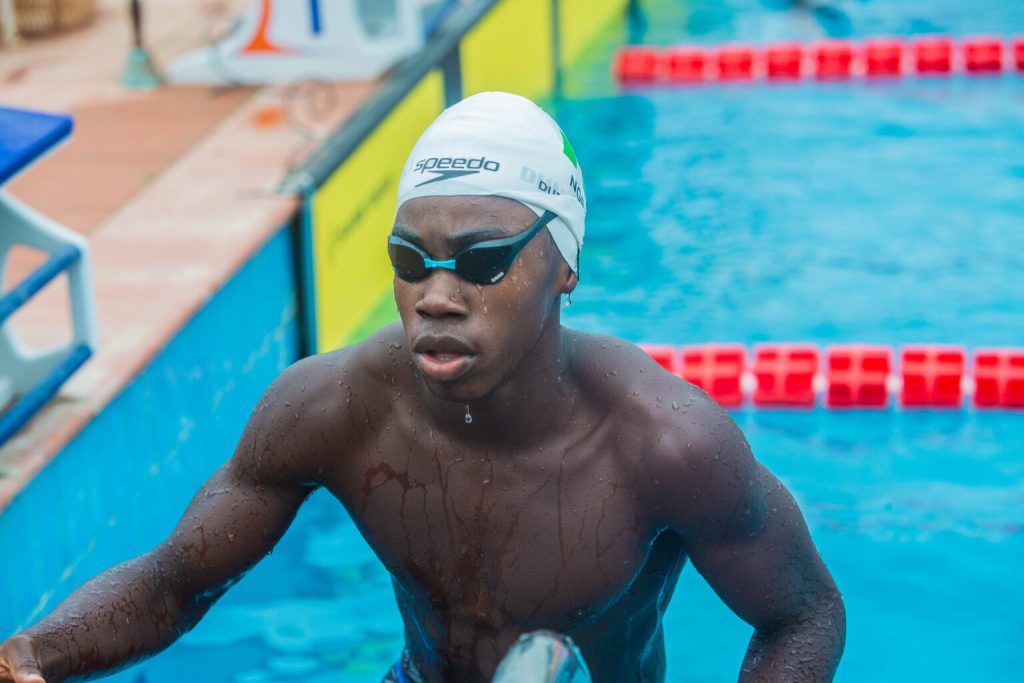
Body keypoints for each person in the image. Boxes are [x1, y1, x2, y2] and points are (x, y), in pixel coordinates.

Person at [0, 92, 845, 683]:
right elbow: (172, 583)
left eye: (482, 261)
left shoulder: (668, 444)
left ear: (566, 267)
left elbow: (803, 614)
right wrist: (29, 656)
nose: (438, 295)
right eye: (411, 261)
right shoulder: (333, 408)